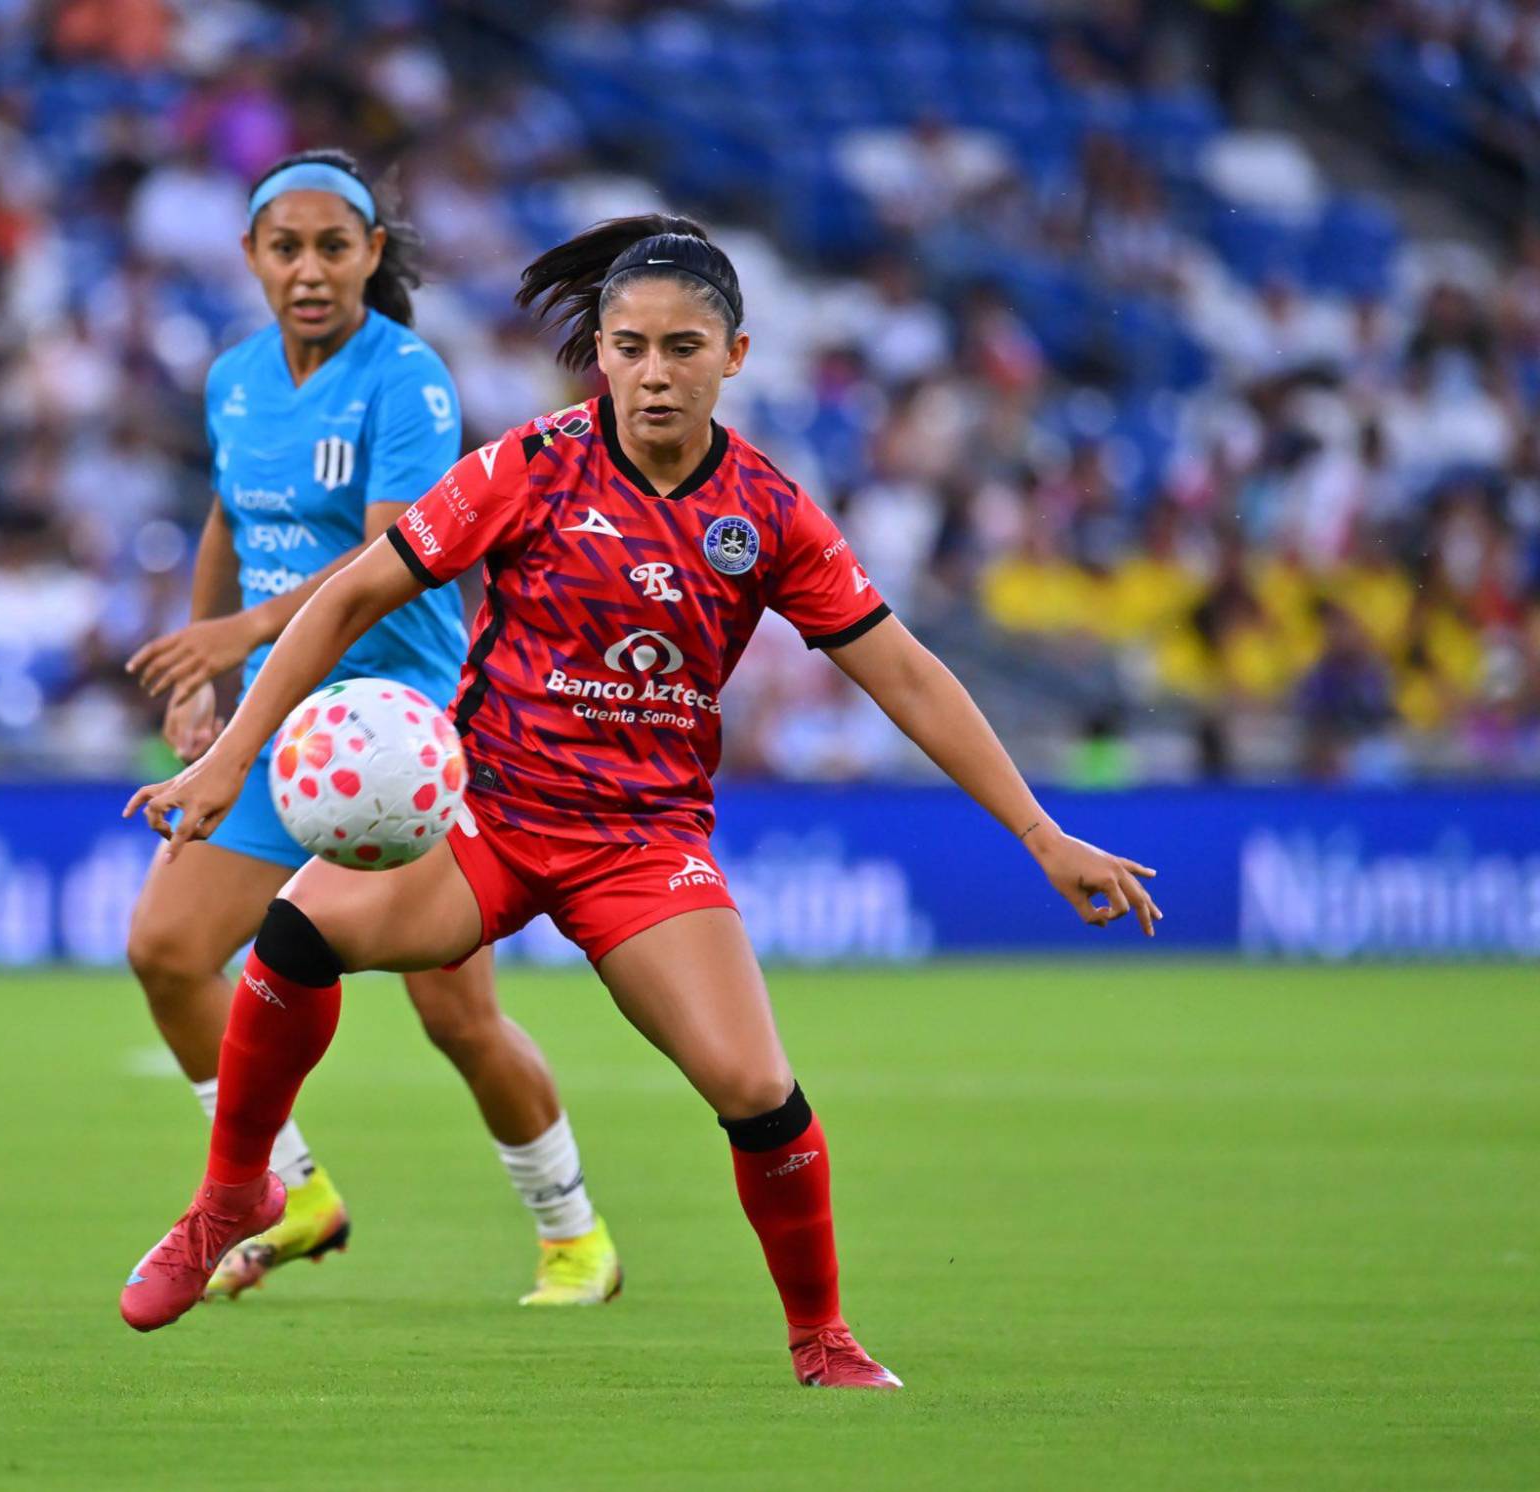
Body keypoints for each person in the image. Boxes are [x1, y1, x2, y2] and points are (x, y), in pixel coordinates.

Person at [123, 214, 1163, 1385]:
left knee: (754, 1088)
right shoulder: (527, 468)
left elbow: (905, 673)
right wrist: (227, 763)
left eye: (681, 347)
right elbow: (348, 595)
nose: (653, 372)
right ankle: (230, 1198)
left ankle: (820, 1337)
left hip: (640, 846)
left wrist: (1039, 832)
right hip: (491, 814)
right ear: (599, 355)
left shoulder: (766, 514)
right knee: (298, 930)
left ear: (735, 356)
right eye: (628, 347)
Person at [118, 151, 620, 1315]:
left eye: (331, 247)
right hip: (277, 731)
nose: (306, 270)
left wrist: (238, 627)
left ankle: (572, 1232)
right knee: (166, 948)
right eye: (283, 248)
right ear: (248, 256)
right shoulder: (236, 379)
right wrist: (205, 670)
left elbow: (382, 561)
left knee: (456, 1013)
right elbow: (226, 516)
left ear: (371, 256)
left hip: (394, 735)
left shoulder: (406, 380)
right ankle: (283, 1189)